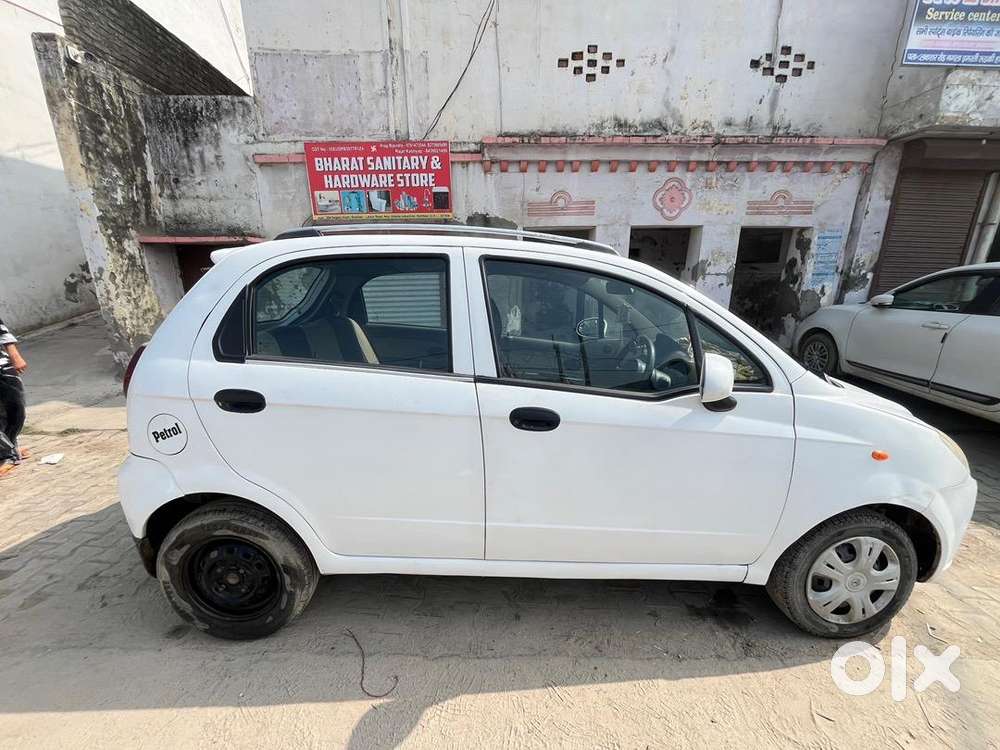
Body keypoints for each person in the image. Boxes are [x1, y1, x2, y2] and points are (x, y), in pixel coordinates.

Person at [0, 316, 27, 477]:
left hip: (2, 366)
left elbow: (1, 330)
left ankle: (11, 447)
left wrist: (15, 356)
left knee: (16, 411)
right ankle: (6, 455)